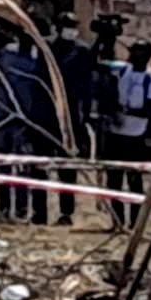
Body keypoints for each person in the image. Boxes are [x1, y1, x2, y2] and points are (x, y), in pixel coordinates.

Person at [0, 25, 52, 225]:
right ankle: (4, 207)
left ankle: (22, 208)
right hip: (4, 117)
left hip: (26, 120)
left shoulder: (36, 61)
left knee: (23, 166)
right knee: (4, 165)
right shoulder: (5, 56)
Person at [102, 38, 151, 231]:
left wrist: (128, 112)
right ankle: (117, 221)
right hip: (116, 131)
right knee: (113, 179)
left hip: (135, 134)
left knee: (134, 180)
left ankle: (135, 222)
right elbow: (100, 63)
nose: (132, 55)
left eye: (137, 52)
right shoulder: (123, 70)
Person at [47, 12, 97, 225]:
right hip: (47, 111)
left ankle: (66, 211)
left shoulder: (82, 51)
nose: (71, 30)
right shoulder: (48, 48)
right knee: (38, 162)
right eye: (67, 25)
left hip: (72, 115)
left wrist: (86, 114)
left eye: (73, 26)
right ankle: (37, 212)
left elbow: (87, 85)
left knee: (68, 165)